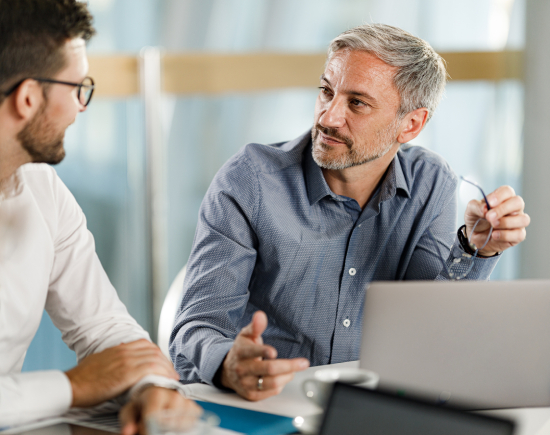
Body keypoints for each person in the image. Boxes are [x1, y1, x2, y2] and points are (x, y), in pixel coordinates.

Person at [170, 23, 530, 400]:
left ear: (411, 124)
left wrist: (475, 249)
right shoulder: (250, 181)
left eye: (357, 103)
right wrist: (229, 364)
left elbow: (431, 332)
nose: (328, 117)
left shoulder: (431, 183)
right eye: (326, 91)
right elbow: (196, 329)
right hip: (265, 407)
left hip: (369, 411)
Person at [0, 0, 199, 432]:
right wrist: (73, 387)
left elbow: (101, 325)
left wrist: (148, 386)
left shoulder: (42, 189)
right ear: (28, 98)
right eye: (77, 88)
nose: (81, 106)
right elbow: (90, 375)